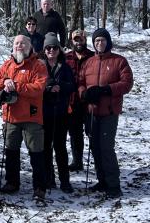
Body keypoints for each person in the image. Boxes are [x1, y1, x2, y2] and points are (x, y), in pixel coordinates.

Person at [0, 35, 48, 202]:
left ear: (30, 46)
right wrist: (4, 82)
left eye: (23, 43)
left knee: (36, 152)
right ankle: (12, 182)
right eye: (16, 43)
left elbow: (38, 88)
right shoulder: (7, 65)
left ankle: (39, 186)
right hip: (11, 115)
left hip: (32, 115)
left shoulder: (38, 65)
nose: (19, 46)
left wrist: (16, 85)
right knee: (11, 150)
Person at [78, 28, 133, 199]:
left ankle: (113, 185)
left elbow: (127, 83)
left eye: (102, 40)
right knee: (95, 147)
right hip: (92, 112)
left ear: (108, 42)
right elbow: (80, 81)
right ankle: (102, 180)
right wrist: (84, 94)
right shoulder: (89, 62)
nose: (99, 43)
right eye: (96, 41)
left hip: (109, 112)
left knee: (106, 148)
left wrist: (106, 90)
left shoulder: (119, 61)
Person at [39, 33, 75, 193]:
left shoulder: (65, 66)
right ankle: (48, 179)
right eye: (48, 48)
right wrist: (47, 88)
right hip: (44, 112)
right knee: (46, 147)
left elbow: (72, 85)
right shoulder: (39, 65)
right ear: (44, 50)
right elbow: (37, 84)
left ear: (59, 50)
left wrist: (60, 86)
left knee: (60, 147)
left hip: (61, 112)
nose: (51, 50)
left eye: (54, 48)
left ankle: (65, 181)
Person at [65, 29, 95, 171]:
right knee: (75, 133)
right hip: (72, 102)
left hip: (89, 102)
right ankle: (77, 161)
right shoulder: (66, 57)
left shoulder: (93, 57)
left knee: (92, 133)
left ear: (85, 40)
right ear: (72, 41)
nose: (78, 42)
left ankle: (99, 162)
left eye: (81, 39)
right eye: (76, 39)